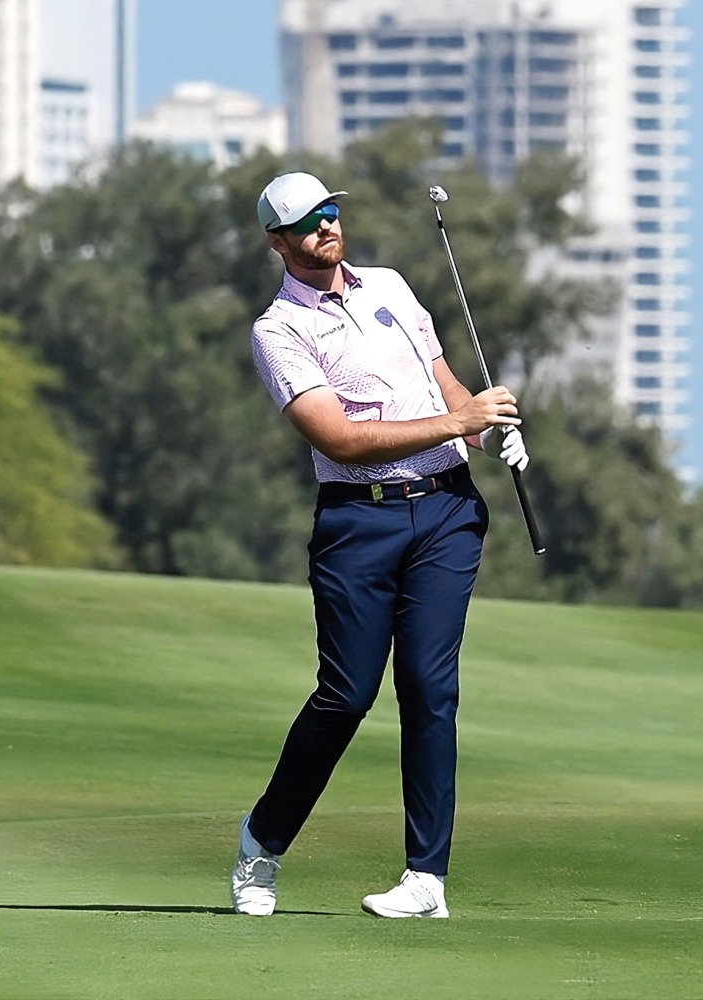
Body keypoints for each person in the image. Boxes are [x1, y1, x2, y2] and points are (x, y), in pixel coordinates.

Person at [232, 171, 529, 918]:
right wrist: (460, 425)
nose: (326, 228)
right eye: (307, 222)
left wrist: (490, 428)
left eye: (330, 213)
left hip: (446, 513)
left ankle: (426, 879)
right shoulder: (279, 331)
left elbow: (445, 387)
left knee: (430, 689)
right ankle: (261, 845)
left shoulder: (392, 287)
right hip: (356, 523)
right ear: (279, 242)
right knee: (346, 695)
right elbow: (341, 438)